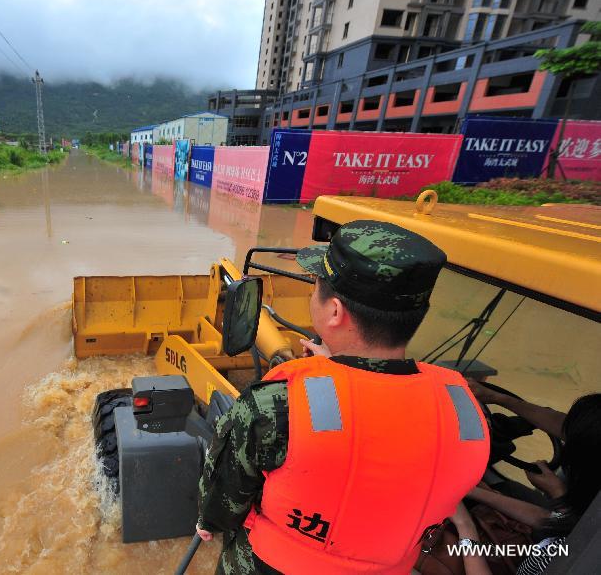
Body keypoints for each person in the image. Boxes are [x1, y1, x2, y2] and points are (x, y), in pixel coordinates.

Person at [196, 220, 491, 574]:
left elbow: (220, 507)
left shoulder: (277, 405)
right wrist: (336, 368)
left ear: (334, 311)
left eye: (315, 285)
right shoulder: (466, 412)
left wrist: (208, 523)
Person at [462, 392, 601, 574]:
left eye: (570, 444)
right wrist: (471, 491)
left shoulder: (566, 558)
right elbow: (558, 522)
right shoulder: (590, 521)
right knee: (507, 488)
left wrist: (464, 526)